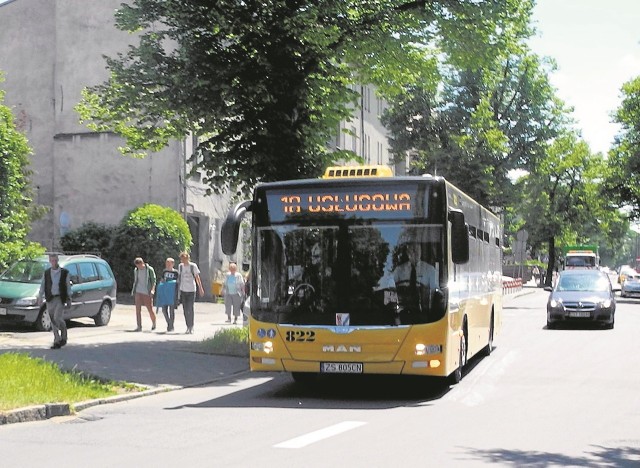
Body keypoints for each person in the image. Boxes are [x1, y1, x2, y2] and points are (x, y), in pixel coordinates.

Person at [40, 253, 72, 349]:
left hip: (60, 298)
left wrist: (69, 298)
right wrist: (39, 296)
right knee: (53, 320)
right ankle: (57, 340)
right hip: (50, 298)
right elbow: (43, 285)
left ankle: (64, 333)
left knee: (57, 318)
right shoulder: (46, 273)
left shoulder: (64, 272)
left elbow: (68, 286)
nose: (53, 262)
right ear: (50, 261)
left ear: (58, 261)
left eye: (55, 260)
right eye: (52, 260)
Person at [177, 251, 204, 334]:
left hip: (192, 289)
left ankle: (191, 326)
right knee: (185, 309)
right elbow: (179, 277)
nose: (183, 261)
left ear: (188, 258)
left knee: (190, 308)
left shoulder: (193, 266)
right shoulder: (180, 266)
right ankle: (187, 326)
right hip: (183, 289)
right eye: (182, 259)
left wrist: (201, 288)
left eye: (185, 259)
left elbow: (197, 277)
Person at [131, 257, 157, 331]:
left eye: (139, 265)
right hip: (138, 291)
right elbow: (136, 281)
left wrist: (152, 290)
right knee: (138, 310)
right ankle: (139, 326)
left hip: (147, 292)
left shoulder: (149, 270)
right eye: (137, 266)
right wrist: (134, 291)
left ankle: (154, 323)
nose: (138, 267)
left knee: (150, 309)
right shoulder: (136, 270)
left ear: (142, 263)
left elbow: (154, 281)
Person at [157, 257, 179, 332]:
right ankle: (169, 323)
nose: (168, 265)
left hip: (172, 294)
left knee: (172, 310)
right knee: (164, 309)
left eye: (169, 263)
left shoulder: (176, 272)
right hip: (165, 293)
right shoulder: (164, 272)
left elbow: (177, 282)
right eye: (167, 263)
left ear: (173, 264)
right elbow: (162, 280)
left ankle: (171, 326)